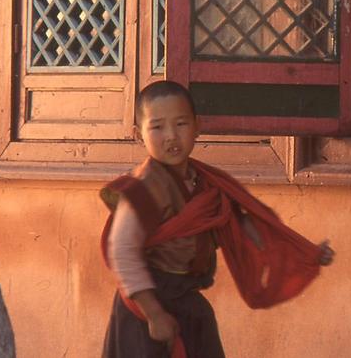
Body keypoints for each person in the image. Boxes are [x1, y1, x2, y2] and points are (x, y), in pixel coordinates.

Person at [100, 80, 334, 358]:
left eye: (181, 124)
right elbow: (123, 252)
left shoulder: (205, 183)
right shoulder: (143, 188)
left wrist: (302, 253)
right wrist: (153, 314)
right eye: (158, 127)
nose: (171, 136)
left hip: (186, 301)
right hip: (146, 307)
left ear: (197, 126)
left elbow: (238, 226)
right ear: (140, 135)